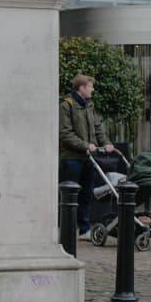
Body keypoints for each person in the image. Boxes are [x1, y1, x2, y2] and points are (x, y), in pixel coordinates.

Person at [58, 74, 117, 233]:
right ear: (81, 88)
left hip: (89, 157)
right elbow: (65, 133)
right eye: (91, 86)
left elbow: (98, 128)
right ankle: (68, 230)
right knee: (70, 196)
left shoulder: (90, 105)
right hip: (72, 158)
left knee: (86, 194)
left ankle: (84, 229)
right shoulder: (66, 105)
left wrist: (106, 143)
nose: (93, 89)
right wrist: (85, 145)